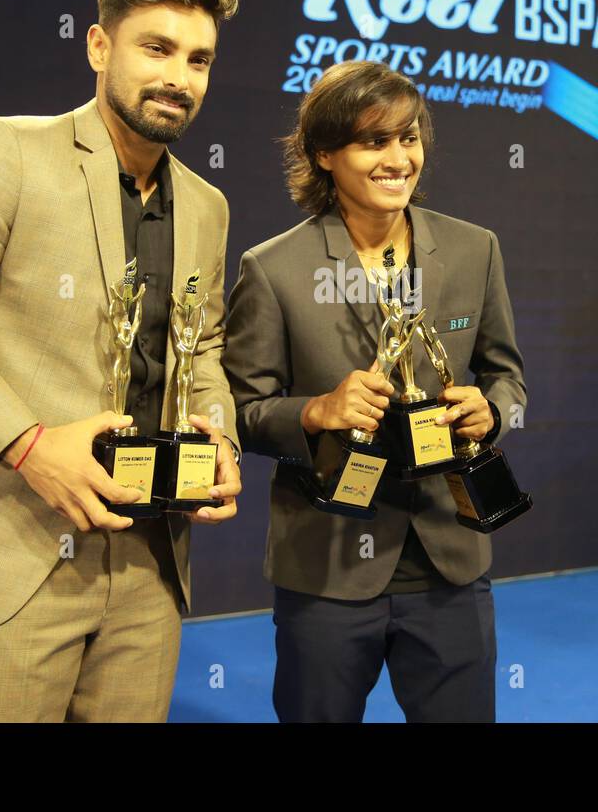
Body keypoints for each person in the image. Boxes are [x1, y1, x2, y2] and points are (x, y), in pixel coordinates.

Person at [0, 0, 242, 721]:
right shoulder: (7, 150)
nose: (180, 76)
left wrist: (221, 439)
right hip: (13, 545)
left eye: (198, 59)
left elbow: (199, 348)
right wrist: (30, 445)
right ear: (99, 47)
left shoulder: (207, 205)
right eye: (157, 49)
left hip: (149, 558)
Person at [224, 60, 527, 722]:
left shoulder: (476, 249)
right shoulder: (272, 269)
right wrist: (315, 411)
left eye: (409, 138)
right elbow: (240, 414)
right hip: (328, 567)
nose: (399, 158)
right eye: (374, 141)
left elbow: (507, 374)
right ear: (324, 154)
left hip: (451, 560)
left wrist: (493, 411)